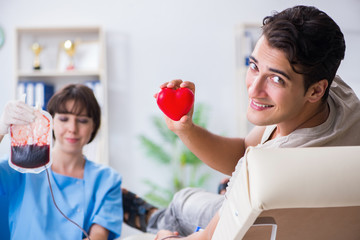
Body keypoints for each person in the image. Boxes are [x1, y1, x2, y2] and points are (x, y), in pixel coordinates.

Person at [125, 5, 360, 239]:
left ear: (316, 90)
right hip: (294, 220)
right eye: (254, 66)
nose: (254, 89)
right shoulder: (338, 93)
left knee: (181, 202)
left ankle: (153, 218)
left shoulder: (271, 167)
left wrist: (166, 237)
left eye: (276, 79)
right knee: (223, 186)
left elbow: (208, 237)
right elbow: (243, 151)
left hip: (260, 227)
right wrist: (185, 128)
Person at [0, 84, 123, 240]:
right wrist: (1, 129)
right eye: (64, 119)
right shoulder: (21, 168)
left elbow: (99, 235)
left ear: (94, 126)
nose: (72, 128)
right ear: (50, 121)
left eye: (83, 120)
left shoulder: (107, 180)